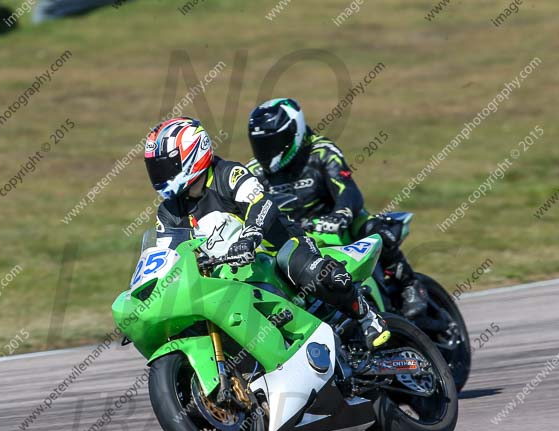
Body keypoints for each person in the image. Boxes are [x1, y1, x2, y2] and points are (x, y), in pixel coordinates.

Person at [144, 117, 389, 348]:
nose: (160, 174)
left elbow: (262, 204)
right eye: (155, 167)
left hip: (279, 246)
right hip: (226, 271)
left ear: (193, 154)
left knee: (307, 268)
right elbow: (170, 255)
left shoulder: (227, 174)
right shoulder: (169, 211)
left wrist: (250, 237)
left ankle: (366, 315)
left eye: (165, 165)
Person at [246, 98, 427, 318]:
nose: (266, 152)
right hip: (292, 236)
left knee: (371, 227)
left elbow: (347, 190)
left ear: (294, 132)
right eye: (261, 145)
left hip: (336, 225)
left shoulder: (321, 152)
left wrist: (341, 214)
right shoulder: (253, 172)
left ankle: (409, 285)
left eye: (273, 143)